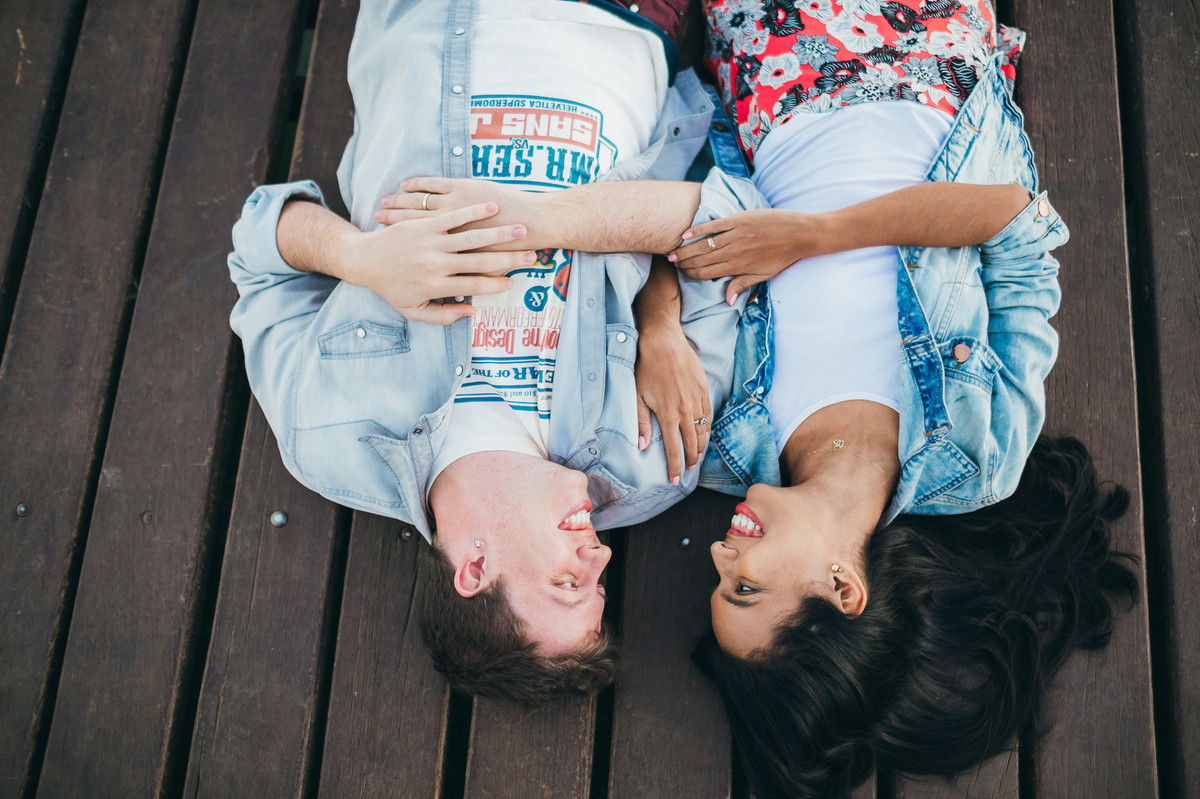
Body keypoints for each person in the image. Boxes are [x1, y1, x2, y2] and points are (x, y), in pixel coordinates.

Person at [384, 0, 1138, 791]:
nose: (720, 554)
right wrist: (815, 235)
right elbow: (1018, 225)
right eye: (745, 586)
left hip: (769, 69)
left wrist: (658, 326)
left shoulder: (718, 440)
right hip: (928, 62)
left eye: (720, 582)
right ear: (843, 588)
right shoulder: (980, 451)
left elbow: (686, 242)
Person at [226, 0, 743, 705]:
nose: (599, 555)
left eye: (569, 582)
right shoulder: (654, 457)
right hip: (622, 21)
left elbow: (257, 249)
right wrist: (660, 320)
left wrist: (362, 258)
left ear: (473, 570)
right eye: (600, 581)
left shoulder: (324, 432)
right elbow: (728, 224)